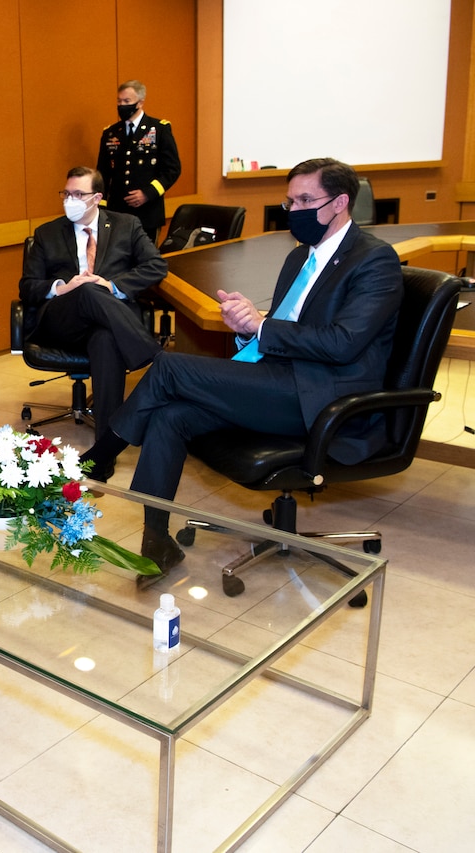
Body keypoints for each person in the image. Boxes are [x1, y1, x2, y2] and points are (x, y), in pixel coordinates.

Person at [81, 158, 404, 578]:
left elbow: (343, 344)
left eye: (306, 199)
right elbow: (284, 328)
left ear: (340, 202)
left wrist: (263, 326)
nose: (295, 209)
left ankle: (97, 461)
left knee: (168, 368)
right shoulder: (298, 259)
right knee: (169, 414)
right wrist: (248, 327)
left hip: (324, 396)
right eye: (291, 200)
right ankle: (155, 541)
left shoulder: (374, 260)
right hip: (279, 379)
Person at [20, 166, 167, 446]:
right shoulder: (46, 233)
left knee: (106, 340)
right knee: (86, 288)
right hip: (63, 319)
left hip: (107, 321)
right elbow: (27, 286)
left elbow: (156, 266)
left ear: (97, 197)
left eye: (78, 194)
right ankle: (156, 358)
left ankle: (106, 448)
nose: (69, 200)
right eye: (66, 193)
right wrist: (64, 287)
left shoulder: (127, 225)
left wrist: (111, 286)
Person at [96, 79, 182, 245]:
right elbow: (102, 173)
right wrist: (103, 206)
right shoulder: (111, 133)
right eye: (119, 101)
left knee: (146, 263)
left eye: (127, 101)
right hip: (117, 212)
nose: (122, 105)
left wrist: (148, 193)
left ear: (140, 102)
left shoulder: (159, 129)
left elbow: (172, 169)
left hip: (147, 212)